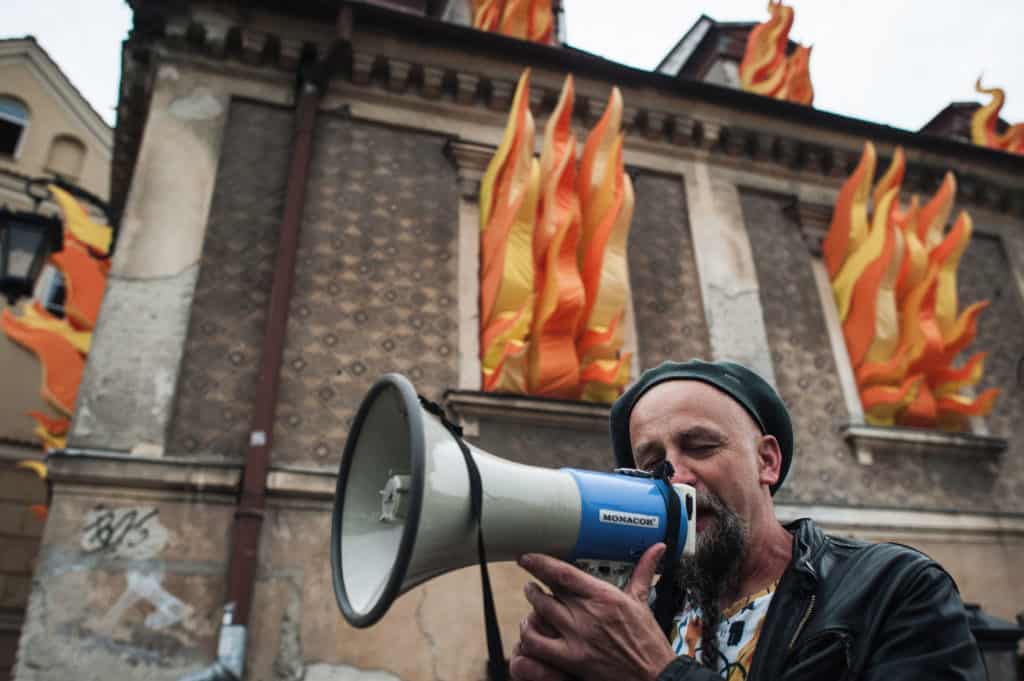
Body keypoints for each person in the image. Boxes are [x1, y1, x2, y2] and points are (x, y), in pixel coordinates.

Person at [509, 359, 986, 681]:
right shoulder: (643, 613)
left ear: (767, 462)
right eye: (652, 463)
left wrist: (659, 672)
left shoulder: (893, 589)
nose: (675, 476)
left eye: (700, 446)